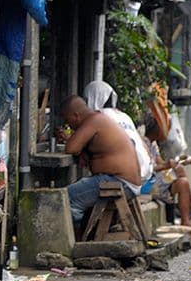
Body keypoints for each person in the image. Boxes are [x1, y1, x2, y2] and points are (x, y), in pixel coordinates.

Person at [57, 95, 143, 231]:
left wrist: (71, 139)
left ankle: (75, 238)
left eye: (68, 120)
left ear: (75, 116)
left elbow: (71, 148)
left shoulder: (93, 120)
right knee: (77, 191)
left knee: (65, 198)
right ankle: (85, 233)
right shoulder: (99, 118)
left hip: (119, 182)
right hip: (124, 181)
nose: (69, 125)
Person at [83, 80, 154, 185]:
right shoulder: (124, 115)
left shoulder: (100, 117)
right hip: (145, 174)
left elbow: (81, 145)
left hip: (124, 177)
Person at [143, 140, 191, 227]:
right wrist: (165, 166)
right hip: (146, 183)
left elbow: (160, 163)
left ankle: (185, 220)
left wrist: (176, 162)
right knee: (178, 171)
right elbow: (145, 170)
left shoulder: (152, 144)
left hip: (156, 180)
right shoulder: (141, 143)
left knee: (182, 182)